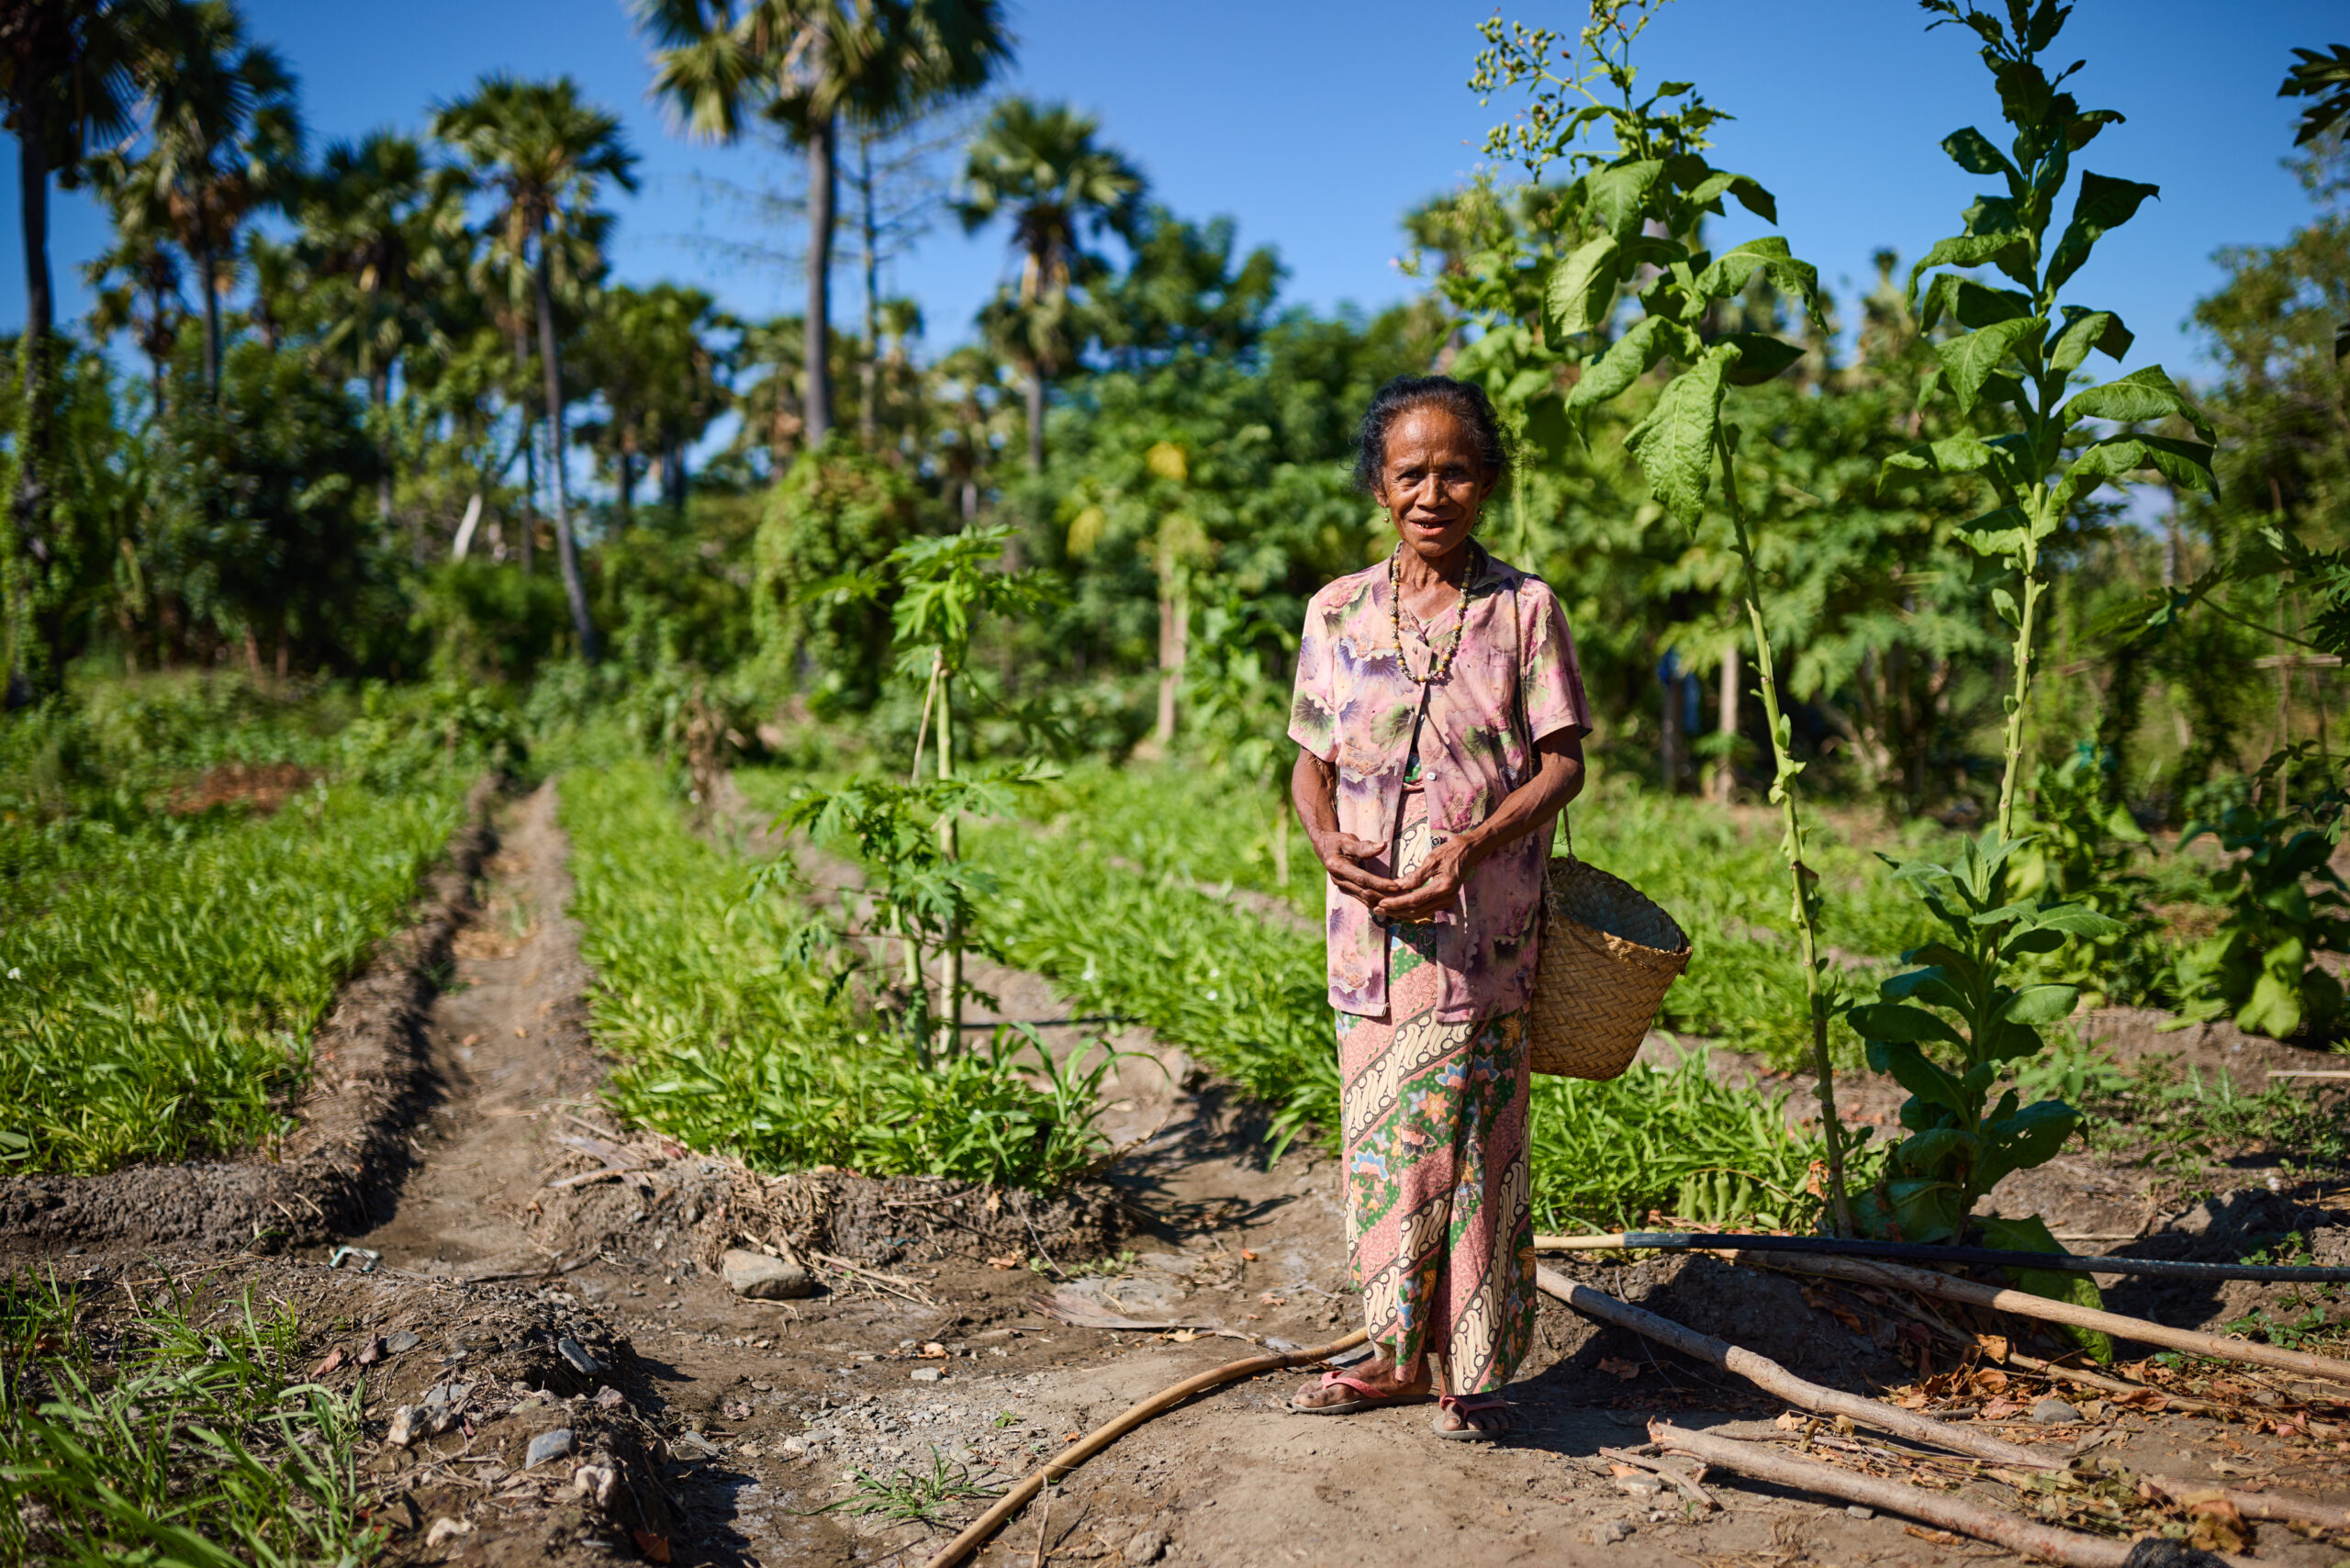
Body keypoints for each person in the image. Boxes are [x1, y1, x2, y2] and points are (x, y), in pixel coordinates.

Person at [1285, 375, 1590, 1439]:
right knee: (1383, 1149)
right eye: (1409, 471)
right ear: (1378, 483)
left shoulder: (1523, 609)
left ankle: (1470, 1367)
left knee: (1469, 1146)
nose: (1432, 491)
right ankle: (1391, 1349)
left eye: (1454, 469)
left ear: (1488, 480)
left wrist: (1468, 845)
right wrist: (1326, 842)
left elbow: (1561, 769)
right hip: (1366, 934)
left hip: (1480, 932)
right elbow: (1309, 763)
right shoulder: (1335, 610)